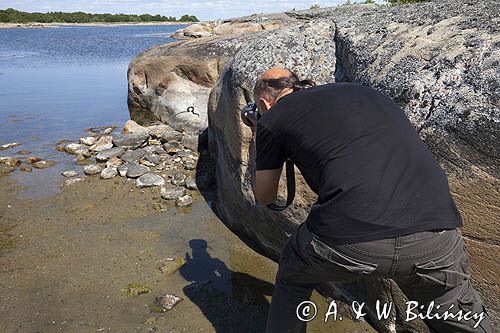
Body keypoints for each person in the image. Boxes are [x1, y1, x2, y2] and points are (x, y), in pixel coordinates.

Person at [244, 68, 491, 333]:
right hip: (435, 231)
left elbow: (265, 196)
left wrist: (263, 132)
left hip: (347, 239)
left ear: (264, 103)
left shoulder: (274, 117)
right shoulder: (364, 92)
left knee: (293, 274)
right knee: (456, 314)